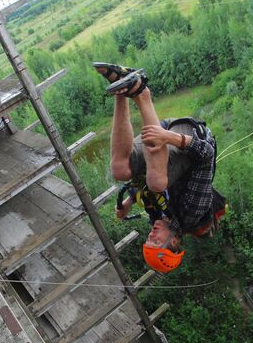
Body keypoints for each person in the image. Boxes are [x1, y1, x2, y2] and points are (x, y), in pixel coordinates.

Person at [95, 63, 223, 273]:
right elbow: (206, 156)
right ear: (173, 243)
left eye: (148, 241)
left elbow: (142, 185)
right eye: (155, 242)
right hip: (190, 135)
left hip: (159, 134)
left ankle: (120, 90)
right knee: (156, 182)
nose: (151, 235)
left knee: (121, 170)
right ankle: (142, 93)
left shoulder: (156, 216)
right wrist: (169, 137)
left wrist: (128, 201)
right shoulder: (192, 213)